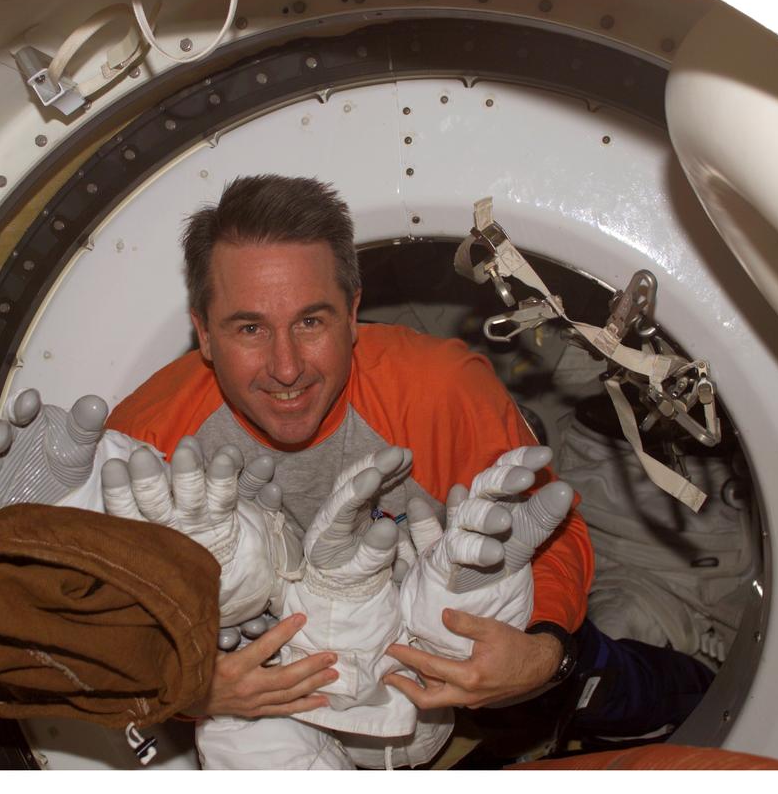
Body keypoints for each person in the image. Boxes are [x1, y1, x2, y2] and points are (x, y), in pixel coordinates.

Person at [99, 174, 595, 721]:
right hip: (269, 712)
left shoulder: (439, 391)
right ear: (205, 333)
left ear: (352, 314)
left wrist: (544, 653)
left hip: (445, 665)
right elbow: (90, 621)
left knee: (604, 682)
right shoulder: (147, 440)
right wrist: (188, 690)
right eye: (250, 329)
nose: (286, 368)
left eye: (310, 321)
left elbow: (547, 532)